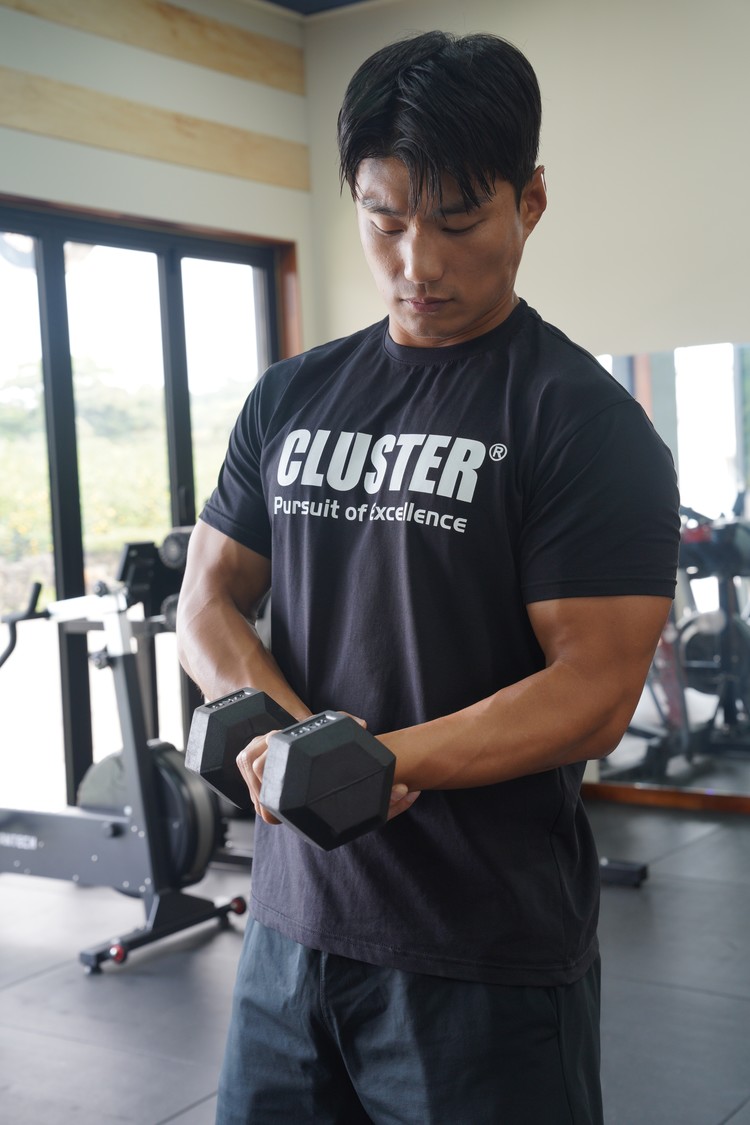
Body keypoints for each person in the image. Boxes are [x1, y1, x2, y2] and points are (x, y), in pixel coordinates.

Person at [177, 30, 680, 1125]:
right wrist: (297, 742)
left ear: (529, 201)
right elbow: (206, 599)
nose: (418, 264)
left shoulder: (581, 424)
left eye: (457, 222)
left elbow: (595, 688)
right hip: (285, 936)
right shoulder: (290, 397)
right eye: (386, 220)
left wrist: (374, 762)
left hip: (481, 962)